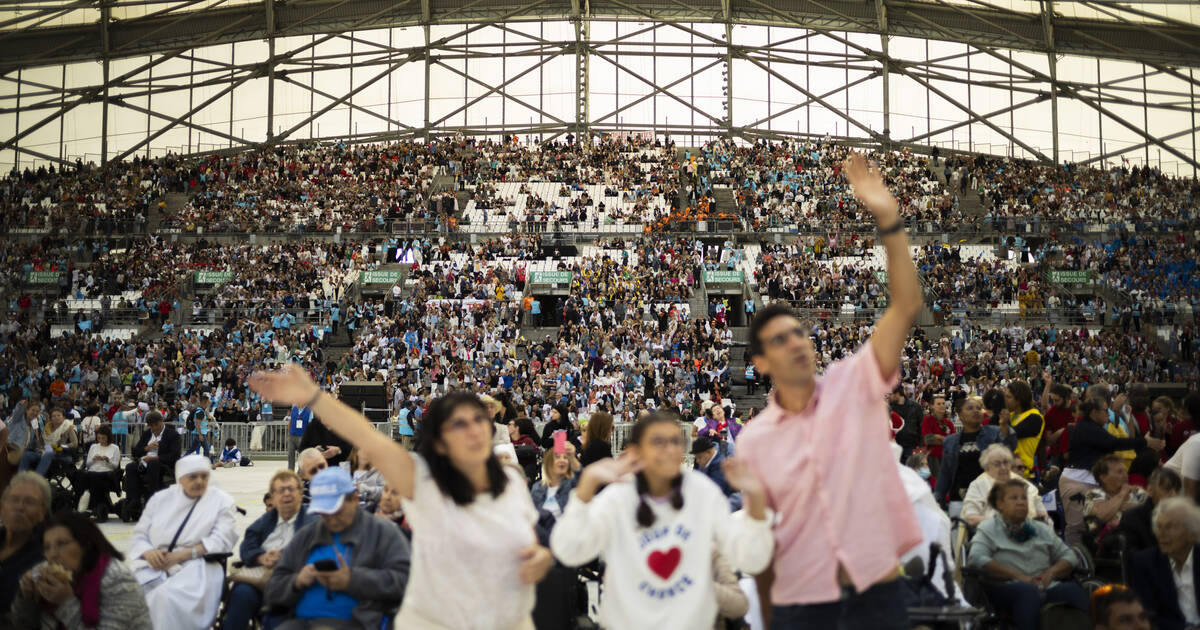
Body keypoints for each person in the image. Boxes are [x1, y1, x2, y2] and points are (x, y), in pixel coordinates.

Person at [737, 153, 925, 630]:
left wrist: (888, 218)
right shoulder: (754, 441)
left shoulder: (853, 381)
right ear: (759, 363)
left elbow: (905, 304)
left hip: (875, 591)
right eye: (780, 340)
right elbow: (763, 540)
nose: (797, 343)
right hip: (798, 600)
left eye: (798, 332)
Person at [248, 369, 555, 630]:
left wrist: (540, 558)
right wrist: (313, 397)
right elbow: (368, 438)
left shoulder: (512, 480)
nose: (474, 429)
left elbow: (528, 543)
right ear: (440, 443)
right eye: (459, 424)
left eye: (478, 419)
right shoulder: (426, 483)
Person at [550, 411, 773, 629]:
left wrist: (756, 500)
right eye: (658, 441)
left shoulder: (703, 492)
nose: (669, 449)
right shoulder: (618, 497)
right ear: (635, 451)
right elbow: (568, 550)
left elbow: (752, 558)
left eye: (676, 441)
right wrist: (585, 488)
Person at [264, 467, 411, 630]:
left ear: (354, 499)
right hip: (302, 623)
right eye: (324, 512)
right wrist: (297, 581)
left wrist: (352, 580)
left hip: (357, 623)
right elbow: (273, 589)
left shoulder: (383, 533)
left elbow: (404, 581)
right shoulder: (307, 535)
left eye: (336, 510)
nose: (330, 518)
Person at [128, 454, 238, 630]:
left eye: (204, 476)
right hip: (156, 563)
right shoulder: (160, 499)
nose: (200, 481)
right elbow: (140, 534)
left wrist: (181, 555)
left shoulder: (221, 501)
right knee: (126, 595)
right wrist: (149, 552)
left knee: (164, 598)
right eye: (193, 477)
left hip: (199, 565)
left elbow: (224, 538)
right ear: (180, 479)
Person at [967, 479, 1088, 630]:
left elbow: (1069, 556)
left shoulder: (1040, 528)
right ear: (999, 504)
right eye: (1014, 498)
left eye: (1024, 498)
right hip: (1007, 587)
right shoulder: (988, 528)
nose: (1020, 502)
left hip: (1045, 585)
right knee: (1026, 592)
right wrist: (1015, 575)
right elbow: (976, 558)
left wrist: (1051, 573)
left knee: (1072, 591)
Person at [11, 511, 152, 629]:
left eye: (61, 544)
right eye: (47, 547)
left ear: (85, 544)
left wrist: (65, 602)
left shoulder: (117, 579)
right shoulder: (44, 574)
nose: (52, 554)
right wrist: (26, 597)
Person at [1061, 399, 1163, 545]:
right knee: (1078, 526)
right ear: (1094, 413)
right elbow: (1115, 443)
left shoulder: (1093, 427)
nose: (1108, 415)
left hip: (1089, 480)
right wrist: (1145, 442)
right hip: (1076, 482)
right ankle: (1076, 562)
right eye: (1105, 411)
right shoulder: (1087, 428)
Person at [222, 470, 315, 630]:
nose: (286, 494)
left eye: (291, 489)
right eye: (280, 490)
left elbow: (313, 549)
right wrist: (261, 557)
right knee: (242, 594)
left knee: (279, 615)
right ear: (273, 497)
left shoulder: (312, 521)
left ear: (300, 494)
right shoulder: (267, 519)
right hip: (261, 577)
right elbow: (247, 545)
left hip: (291, 578)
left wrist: (284, 556)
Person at [1129, 496, 1200, 630]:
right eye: (1159, 527)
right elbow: (1146, 614)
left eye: (1170, 527)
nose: (1161, 534)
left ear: (1192, 533)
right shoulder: (1145, 562)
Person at [935, 395, 1002, 516]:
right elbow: (945, 474)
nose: (976, 410)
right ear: (960, 415)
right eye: (970, 408)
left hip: (987, 499)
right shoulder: (950, 442)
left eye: (979, 408)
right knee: (959, 534)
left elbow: (1011, 446)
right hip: (959, 500)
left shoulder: (994, 433)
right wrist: (936, 499)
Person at [0, 472, 50, 625]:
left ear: (43, 512)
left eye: (29, 502)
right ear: (2, 507)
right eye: (14, 500)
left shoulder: (46, 557)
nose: (20, 507)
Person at [961, 444, 1048, 527]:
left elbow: (1043, 514)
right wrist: (1003, 525)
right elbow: (970, 518)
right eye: (997, 464)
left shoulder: (1024, 484)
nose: (1003, 467)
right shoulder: (978, 485)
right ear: (987, 467)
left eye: (1006, 463)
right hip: (992, 535)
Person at [122, 411, 182, 522]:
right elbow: (135, 452)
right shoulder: (147, 434)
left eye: (156, 425)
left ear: (161, 422)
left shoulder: (172, 435)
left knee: (153, 464)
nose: (154, 428)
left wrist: (156, 458)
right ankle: (133, 499)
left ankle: (151, 497)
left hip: (162, 464)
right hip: (145, 462)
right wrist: (146, 448)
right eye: (151, 426)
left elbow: (174, 455)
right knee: (130, 467)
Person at [1084, 455, 1148, 549]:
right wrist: (1122, 495)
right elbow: (1101, 516)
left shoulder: (1137, 492)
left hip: (1141, 541)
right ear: (1103, 477)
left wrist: (1120, 506)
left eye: (1125, 471)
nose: (1125, 475)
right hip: (1109, 547)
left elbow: (1151, 509)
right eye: (1119, 472)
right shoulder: (1094, 494)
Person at [1119, 468, 1183, 555]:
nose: (1174, 495)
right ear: (1150, 490)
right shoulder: (1132, 518)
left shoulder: (1183, 517)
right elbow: (1132, 559)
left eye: (1177, 490)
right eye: (1167, 489)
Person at [1000, 381, 1044, 479]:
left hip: (1023, 474)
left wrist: (1004, 423)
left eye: (1009, 397)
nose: (1005, 400)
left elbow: (1011, 435)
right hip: (1005, 472)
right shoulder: (1010, 415)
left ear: (1019, 399)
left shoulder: (1034, 417)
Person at [19, 407, 79, 476]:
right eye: (54, 416)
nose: (56, 417)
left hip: (61, 454)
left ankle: (36, 479)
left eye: (59, 415)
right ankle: (21, 477)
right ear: (50, 418)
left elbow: (75, 443)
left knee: (48, 453)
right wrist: (40, 448)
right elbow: (39, 443)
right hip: (43, 452)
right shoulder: (47, 428)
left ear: (63, 417)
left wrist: (59, 446)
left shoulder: (68, 427)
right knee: (27, 454)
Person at [79, 425, 121, 523]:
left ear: (108, 437)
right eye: (99, 438)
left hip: (106, 472)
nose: (101, 440)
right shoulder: (93, 447)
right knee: (83, 475)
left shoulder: (115, 448)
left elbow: (115, 466)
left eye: (103, 438)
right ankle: (94, 507)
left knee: (95, 478)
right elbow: (88, 464)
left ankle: (96, 507)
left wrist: (108, 460)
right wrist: (93, 459)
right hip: (93, 470)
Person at [529, 442, 579, 520]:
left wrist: (572, 458)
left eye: (565, 458)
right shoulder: (537, 488)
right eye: (557, 457)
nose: (562, 460)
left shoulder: (572, 484)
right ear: (549, 463)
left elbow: (582, 478)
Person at [691, 436, 740, 509]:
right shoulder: (705, 462)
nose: (697, 461)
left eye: (699, 457)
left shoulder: (720, 465)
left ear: (709, 452)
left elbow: (714, 490)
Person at [921, 395, 954, 481]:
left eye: (943, 403)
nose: (942, 405)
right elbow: (928, 439)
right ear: (932, 406)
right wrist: (947, 439)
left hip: (948, 458)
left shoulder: (948, 423)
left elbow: (954, 441)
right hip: (932, 459)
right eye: (938, 404)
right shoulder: (927, 420)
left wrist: (938, 437)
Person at [288, 405, 314, 471]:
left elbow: (310, 424)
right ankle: (290, 472)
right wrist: (288, 432)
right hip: (292, 436)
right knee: (290, 456)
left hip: (302, 436)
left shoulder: (310, 410)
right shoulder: (294, 408)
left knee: (302, 456)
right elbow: (290, 421)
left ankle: (301, 473)